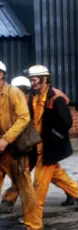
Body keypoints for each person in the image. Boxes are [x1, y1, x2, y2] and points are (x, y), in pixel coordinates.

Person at [26, 65, 78, 221]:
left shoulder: (55, 97)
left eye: (34, 80)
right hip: (37, 144)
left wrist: (53, 137)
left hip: (49, 147)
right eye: (31, 80)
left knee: (39, 183)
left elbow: (66, 121)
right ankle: (77, 192)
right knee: (55, 174)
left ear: (44, 79)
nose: (32, 83)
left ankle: (33, 216)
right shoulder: (34, 96)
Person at [0, 61, 43, 229]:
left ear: (1, 74)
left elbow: (24, 118)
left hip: (14, 150)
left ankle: (34, 225)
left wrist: (6, 139)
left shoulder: (13, 92)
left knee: (25, 189)